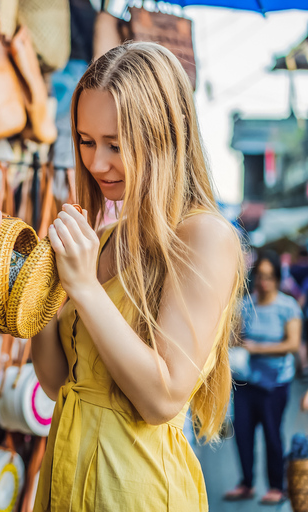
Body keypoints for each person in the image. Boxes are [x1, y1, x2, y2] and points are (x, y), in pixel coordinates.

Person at [31, 42, 245, 511]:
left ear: (163, 137)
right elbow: (56, 382)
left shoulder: (205, 235)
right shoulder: (102, 238)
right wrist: (38, 291)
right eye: (86, 141)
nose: (96, 163)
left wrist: (85, 288)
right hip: (63, 481)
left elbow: (162, 398)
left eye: (116, 144)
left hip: (134, 490)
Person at [224, 250, 302, 504]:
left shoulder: (287, 306)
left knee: (271, 433)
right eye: (260, 276)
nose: (263, 282)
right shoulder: (245, 305)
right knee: (244, 434)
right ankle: (246, 483)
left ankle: (276, 487)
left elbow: (292, 344)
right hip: (247, 380)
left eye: (269, 276)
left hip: (275, 383)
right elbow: (234, 337)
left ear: (278, 278)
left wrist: (257, 347)